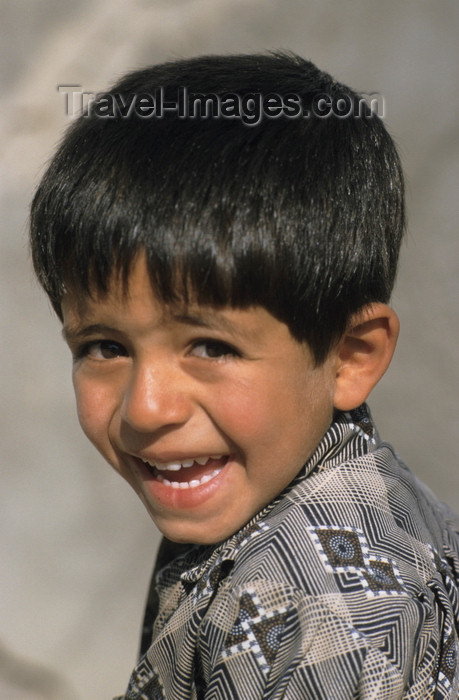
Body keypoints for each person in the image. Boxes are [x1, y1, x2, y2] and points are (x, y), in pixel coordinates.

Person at [29, 52, 459, 699]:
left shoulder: (318, 609)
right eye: (104, 346)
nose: (145, 408)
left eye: (208, 346)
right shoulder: (282, 514)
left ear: (350, 356)